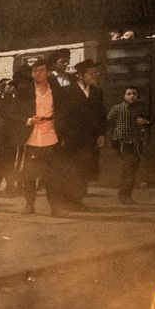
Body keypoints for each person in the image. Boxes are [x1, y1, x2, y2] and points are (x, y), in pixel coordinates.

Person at [15, 59, 67, 216]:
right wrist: (29, 120)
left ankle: (55, 207)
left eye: (42, 70)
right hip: (32, 137)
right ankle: (29, 204)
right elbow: (13, 114)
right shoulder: (25, 89)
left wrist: (62, 132)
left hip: (51, 136)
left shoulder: (55, 89)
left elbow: (64, 111)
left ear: (48, 72)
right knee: (29, 174)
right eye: (35, 71)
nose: (38, 73)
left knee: (53, 175)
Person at [59, 59, 105, 208]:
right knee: (71, 169)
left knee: (84, 169)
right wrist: (62, 137)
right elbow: (61, 117)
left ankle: (78, 200)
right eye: (91, 73)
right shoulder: (67, 92)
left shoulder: (97, 92)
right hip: (71, 139)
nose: (94, 76)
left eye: (95, 73)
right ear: (80, 75)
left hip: (89, 139)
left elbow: (101, 116)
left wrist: (101, 134)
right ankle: (67, 200)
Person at [106, 86, 150, 204]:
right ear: (124, 96)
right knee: (127, 167)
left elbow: (150, 121)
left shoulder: (141, 108)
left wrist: (146, 122)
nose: (132, 96)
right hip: (121, 142)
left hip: (136, 142)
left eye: (134, 94)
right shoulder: (117, 108)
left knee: (132, 168)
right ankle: (123, 195)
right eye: (129, 94)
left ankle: (127, 195)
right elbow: (108, 122)